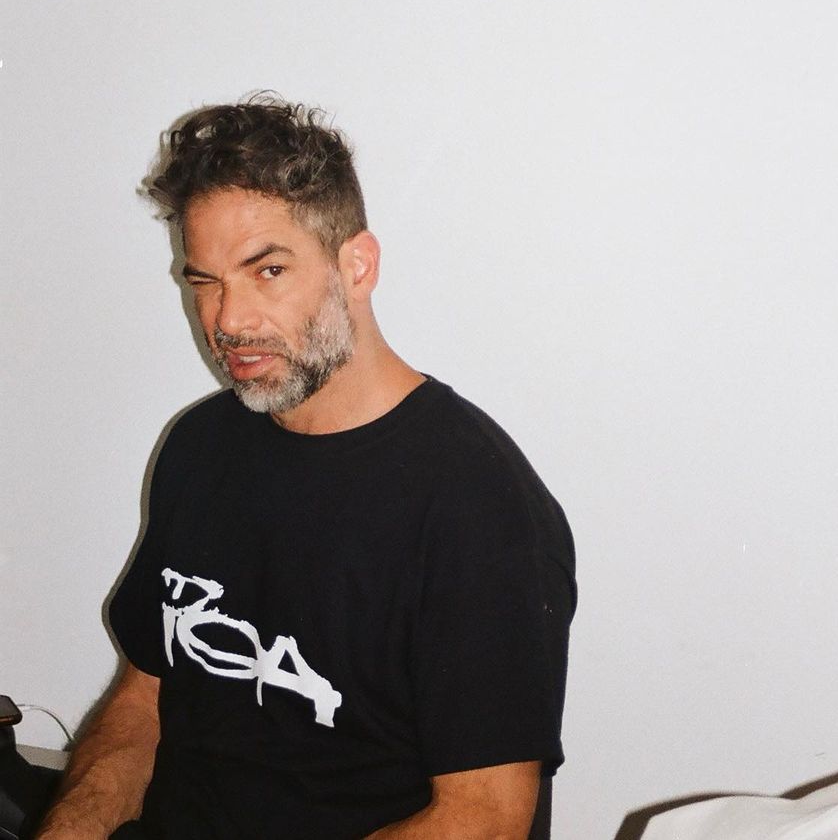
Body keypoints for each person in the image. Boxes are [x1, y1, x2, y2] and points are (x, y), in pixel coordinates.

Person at [35, 97, 575, 840]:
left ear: (357, 266)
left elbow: (483, 819)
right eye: (204, 281)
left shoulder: (476, 505)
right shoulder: (200, 446)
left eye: (268, 270)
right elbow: (143, 701)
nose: (229, 320)